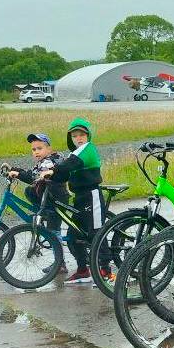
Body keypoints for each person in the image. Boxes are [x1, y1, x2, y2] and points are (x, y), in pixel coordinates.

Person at [43, 118, 104, 284]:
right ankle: (83, 270)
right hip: (80, 197)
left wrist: (53, 169)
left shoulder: (87, 149)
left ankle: (106, 271)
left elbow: (69, 165)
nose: (78, 138)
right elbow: (64, 173)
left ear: (88, 135)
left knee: (96, 233)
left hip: (92, 196)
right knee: (73, 234)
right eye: (75, 135)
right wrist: (47, 177)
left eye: (82, 134)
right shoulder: (75, 152)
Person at [4, 132, 68, 234]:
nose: (36, 152)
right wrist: (13, 169)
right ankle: (43, 214)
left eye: (39, 148)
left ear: (49, 149)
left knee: (53, 233)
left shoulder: (49, 163)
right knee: (30, 190)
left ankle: (57, 245)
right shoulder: (42, 162)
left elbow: (33, 177)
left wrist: (17, 174)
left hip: (56, 200)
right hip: (48, 198)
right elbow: (31, 172)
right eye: (34, 150)